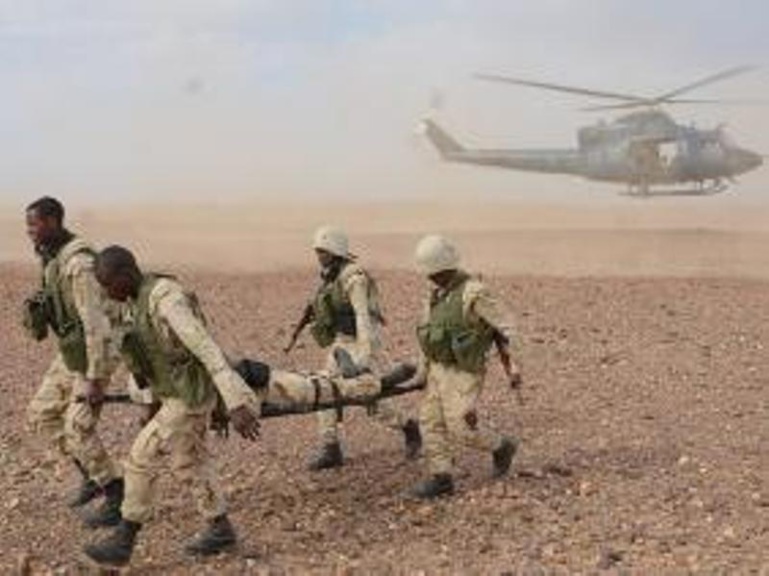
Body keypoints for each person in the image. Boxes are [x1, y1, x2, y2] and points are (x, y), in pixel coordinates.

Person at [82, 246, 262, 568]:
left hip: (191, 397)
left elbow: (206, 348)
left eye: (108, 284)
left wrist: (235, 403)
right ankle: (220, 528)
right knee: (189, 463)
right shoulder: (134, 304)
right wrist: (150, 406)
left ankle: (125, 539)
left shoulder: (165, 299)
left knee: (140, 458)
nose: (107, 292)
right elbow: (150, 363)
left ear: (124, 275)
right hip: (176, 395)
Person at [22, 196, 123, 526]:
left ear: (52, 222)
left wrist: (95, 377)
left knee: (78, 427)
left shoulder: (78, 264)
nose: (29, 231)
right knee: (42, 413)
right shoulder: (53, 258)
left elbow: (95, 322)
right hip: (73, 351)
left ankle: (115, 494)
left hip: (97, 352)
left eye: (34, 224)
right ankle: (92, 476)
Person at [289, 226, 421, 470]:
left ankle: (409, 427)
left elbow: (362, 316)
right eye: (317, 251)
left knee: (370, 399)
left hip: (361, 342)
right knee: (325, 391)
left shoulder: (353, 278)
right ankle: (331, 447)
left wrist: (363, 356)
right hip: (341, 344)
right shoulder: (331, 276)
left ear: (335, 251)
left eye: (323, 251)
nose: (319, 255)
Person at [409, 234, 522, 500]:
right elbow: (429, 335)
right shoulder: (435, 294)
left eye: (434, 273)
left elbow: (506, 328)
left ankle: (501, 447)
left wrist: (513, 366)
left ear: (447, 267)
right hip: (438, 368)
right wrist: (421, 373)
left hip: (465, 372)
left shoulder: (474, 293)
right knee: (430, 423)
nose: (430, 278)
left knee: (460, 427)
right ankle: (441, 477)